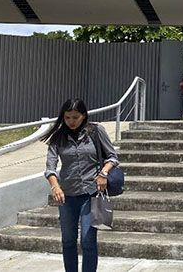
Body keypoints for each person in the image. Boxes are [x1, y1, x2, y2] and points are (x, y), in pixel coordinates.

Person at [41, 98, 118, 272]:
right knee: (68, 240)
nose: (71, 121)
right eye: (67, 117)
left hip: (91, 194)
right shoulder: (58, 138)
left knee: (87, 240)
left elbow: (113, 157)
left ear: (84, 116)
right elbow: (50, 167)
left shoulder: (96, 132)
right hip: (67, 196)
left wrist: (103, 173)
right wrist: (55, 186)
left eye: (75, 117)